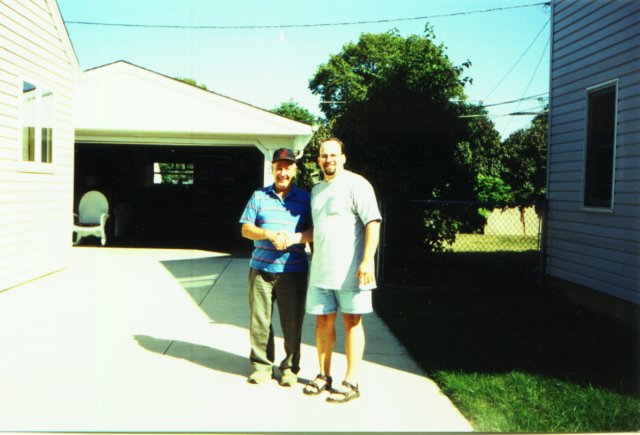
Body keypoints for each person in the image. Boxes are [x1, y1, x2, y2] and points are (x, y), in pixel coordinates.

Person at [303, 137, 381, 403]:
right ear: (318, 160)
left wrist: (368, 259)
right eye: (324, 155)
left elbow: (373, 222)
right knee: (322, 321)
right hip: (321, 270)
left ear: (343, 157)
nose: (329, 159)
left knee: (351, 322)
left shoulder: (357, 184)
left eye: (334, 155)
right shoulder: (316, 190)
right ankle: (324, 376)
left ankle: (352, 381)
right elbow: (319, 230)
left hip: (352, 270)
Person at [239, 148, 312, 387]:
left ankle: (290, 369)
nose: (282, 172)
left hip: (294, 271)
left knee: (292, 323)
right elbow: (245, 228)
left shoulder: (306, 199)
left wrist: (294, 238)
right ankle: (261, 367)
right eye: (278, 167)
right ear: (272, 169)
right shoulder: (259, 196)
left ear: (295, 170)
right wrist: (268, 234)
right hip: (261, 269)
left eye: (287, 167)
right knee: (260, 322)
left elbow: (315, 232)